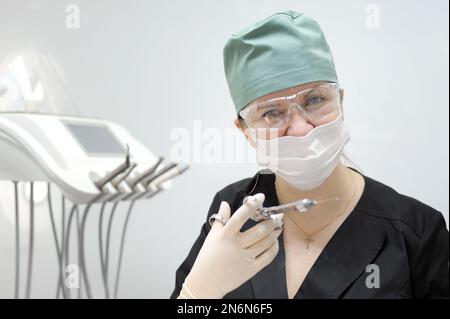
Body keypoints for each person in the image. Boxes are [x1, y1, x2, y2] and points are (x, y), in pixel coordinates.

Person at [170, 11, 449, 299]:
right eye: (271, 113)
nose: (301, 128)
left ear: (339, 101)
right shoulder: (233, 211)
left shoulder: (414, 232)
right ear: (245, 130)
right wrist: (197, 295)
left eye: (314, 100)